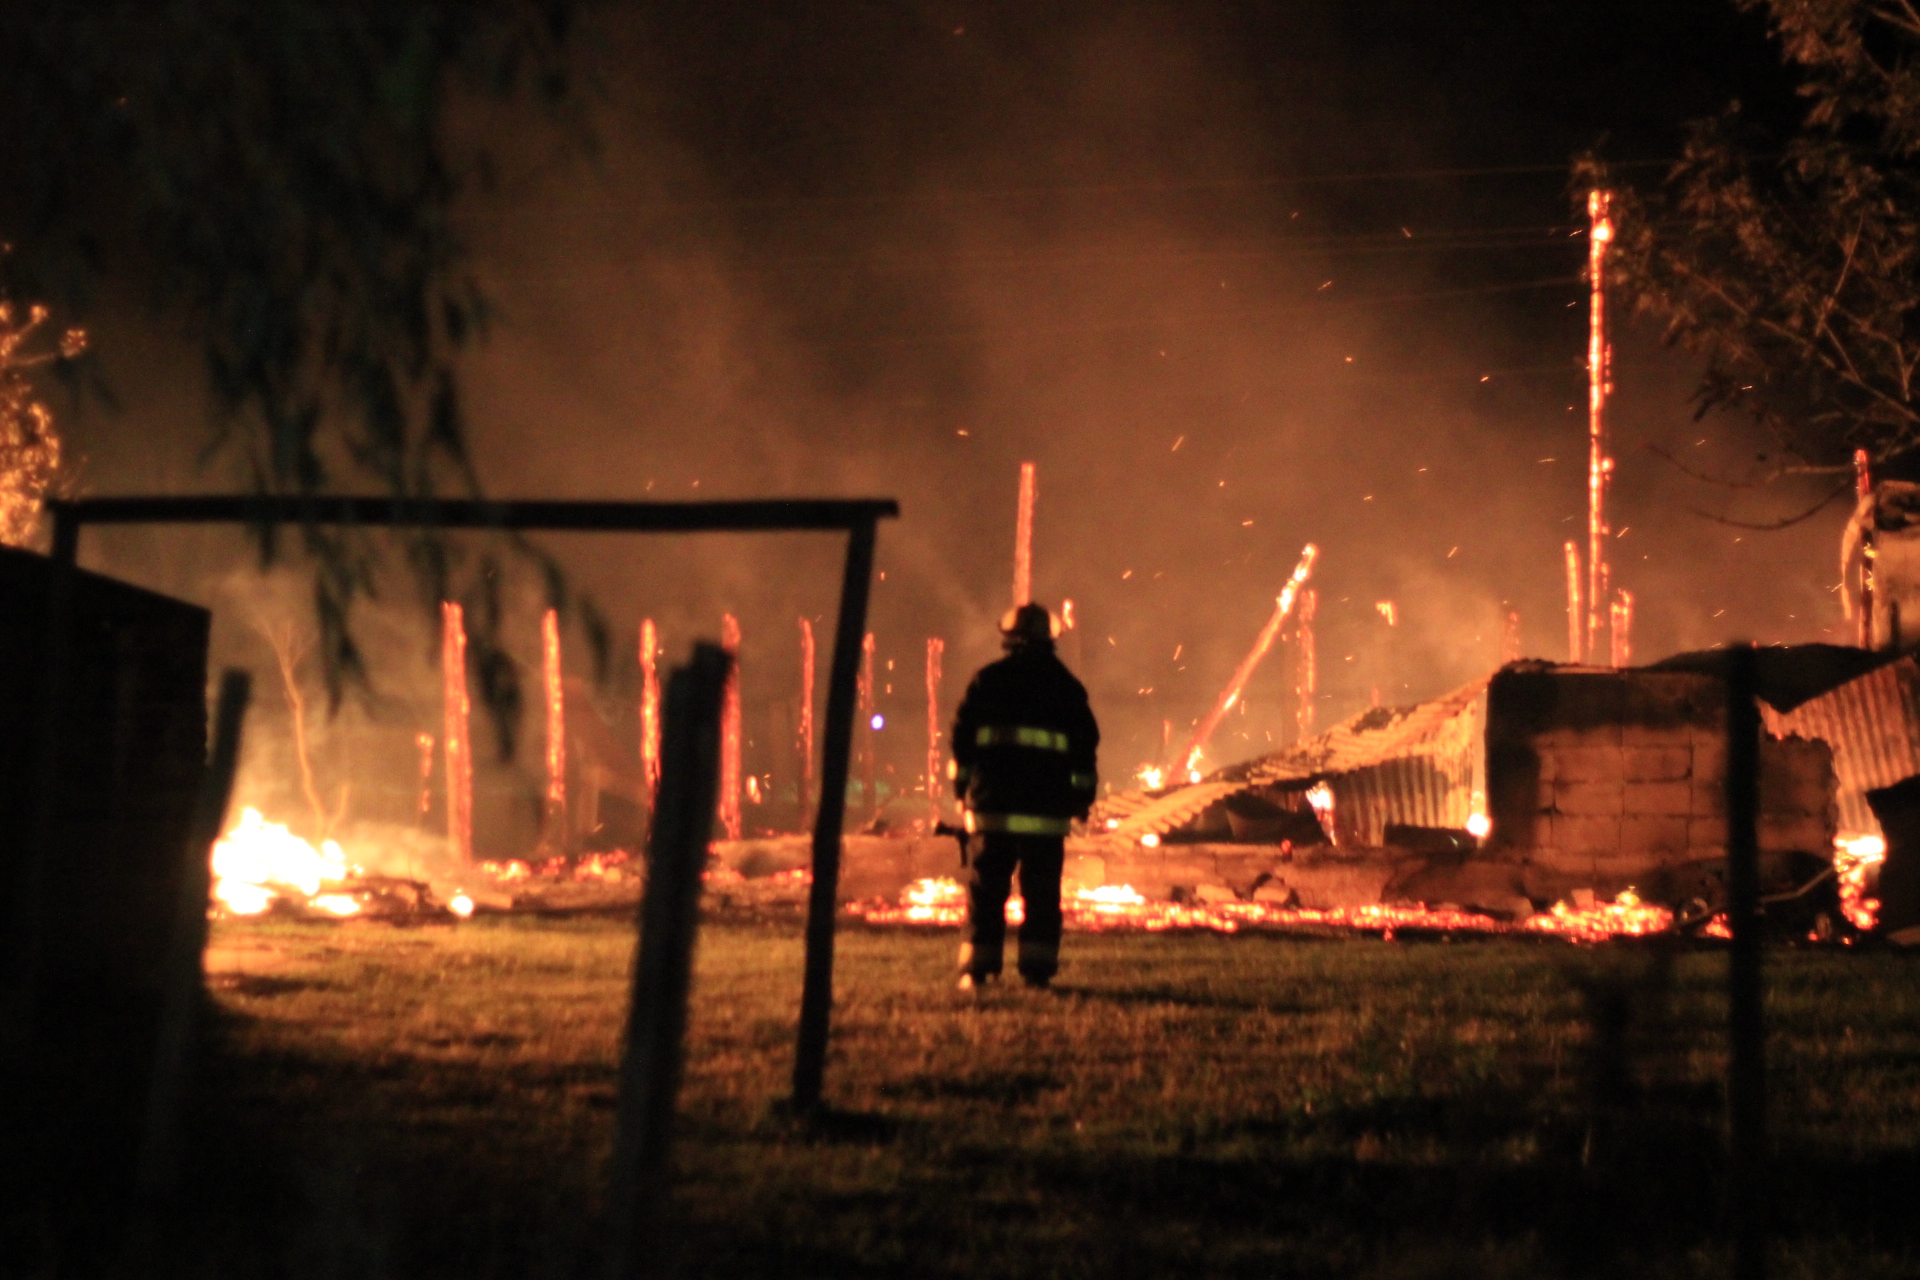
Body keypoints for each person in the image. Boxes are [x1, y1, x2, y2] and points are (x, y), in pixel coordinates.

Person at [949, 602, 1100, 990]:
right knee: (1042, 894)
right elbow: (1084, 752)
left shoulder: (987, 681)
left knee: (986, 890)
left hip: (993, 808)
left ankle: (977, 970)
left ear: (1009, 637)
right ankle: (1037, 972)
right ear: (1050, 638)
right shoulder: (1066, 688)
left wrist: (961, 790)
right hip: (1046, 812)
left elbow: (962, 742)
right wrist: (1082, 799)